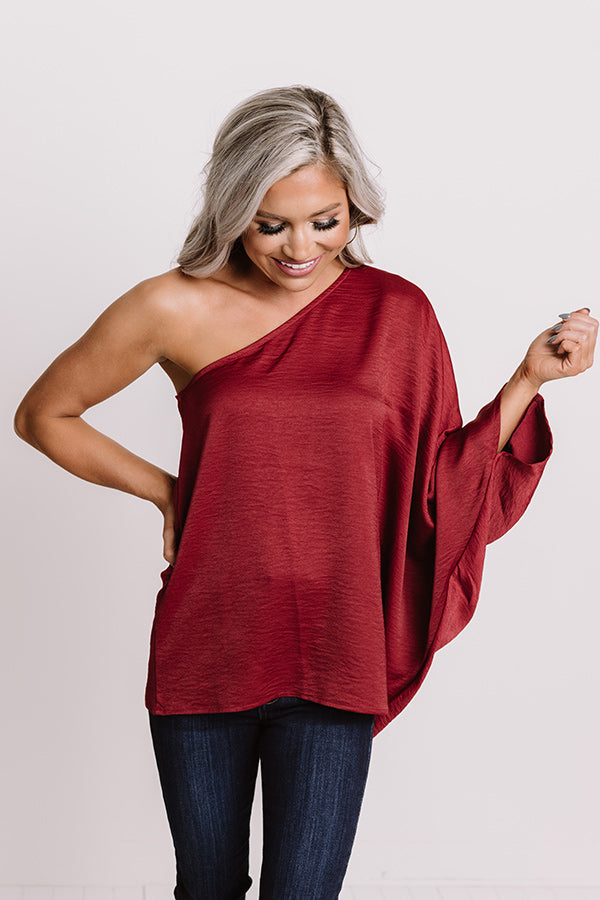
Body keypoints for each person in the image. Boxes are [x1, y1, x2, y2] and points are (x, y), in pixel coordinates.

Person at [14, 85, 597, 900]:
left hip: (336, 646)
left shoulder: (397, 311)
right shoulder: (171, 305)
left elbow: (437, 487)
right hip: (207, 638)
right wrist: (169, 493)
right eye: (270, 225)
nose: (301, 248)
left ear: (355, 206)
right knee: (207, 888)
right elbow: (43, 415)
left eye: (327, 221)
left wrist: (527, 381)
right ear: (231, 211)